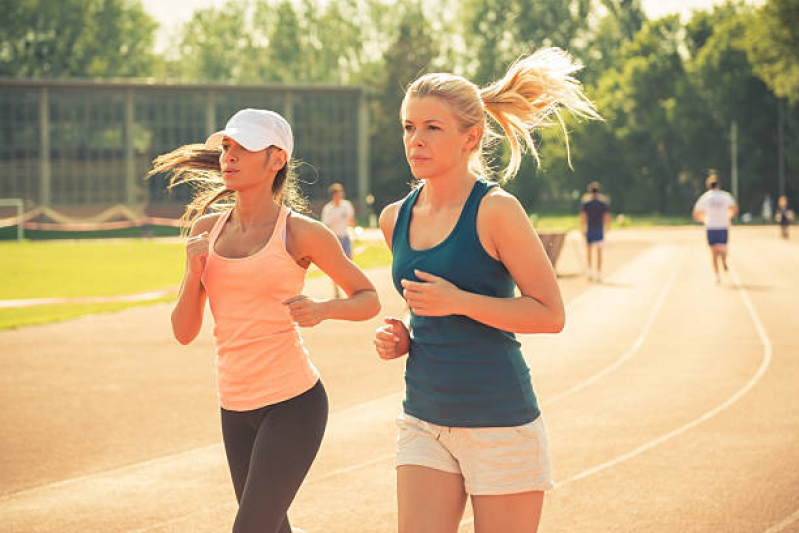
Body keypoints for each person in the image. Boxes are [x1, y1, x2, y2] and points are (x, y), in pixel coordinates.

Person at [373, 48, 599, 533]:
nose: (416, 140)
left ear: (469, 137)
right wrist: (402, 336)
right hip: (424, 419)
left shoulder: (497, 210)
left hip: (501, 423)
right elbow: (426, 310)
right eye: (409, 127)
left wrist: (460, 302)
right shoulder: (395, 218)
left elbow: (549, 313)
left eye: (432, 128)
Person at [148, 108, 380, 533]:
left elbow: (368, 299)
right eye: (227, 146)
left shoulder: (302, 233)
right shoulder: (206, 231)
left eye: (243, 147)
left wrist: (324, 309)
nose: (229, 156)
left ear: (276, 160)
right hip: (233, 406)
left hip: (294, 404)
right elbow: (183, 333)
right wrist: (191, 269)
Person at [692, 171, 738, 283]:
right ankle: (724, 261)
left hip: (711, 226)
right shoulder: (725, 196)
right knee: (723, 248)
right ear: (719, 185)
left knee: (713, 253)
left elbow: (696, 213)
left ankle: (717, 275)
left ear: (708, 186)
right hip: (723, 226)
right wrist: (729, 217)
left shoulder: (705, 197)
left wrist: (704, 220)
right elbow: (735, 208)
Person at [321, 183, 355, 296]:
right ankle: (336, 289)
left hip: (345, 237)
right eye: (338, 194)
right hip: (335, 239)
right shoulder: (328, 209)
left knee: (350, 263)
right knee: (335, 266)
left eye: (341, 193)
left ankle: (350, 288)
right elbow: (326, 226)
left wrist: (354, 233)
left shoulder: (347, 205)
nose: (340, 195)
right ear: (333, 195)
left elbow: (351, 220)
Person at [580, 181, 611, 282]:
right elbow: (606, 216)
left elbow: (583, 217)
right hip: (599, 229)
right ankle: (598, 273)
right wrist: (607, 227)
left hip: (590, 229)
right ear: (598, 191)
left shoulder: (586, 202)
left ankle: (589, 272)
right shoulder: (603, 202)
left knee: (589, 251)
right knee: (599, 252)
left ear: (590, 192)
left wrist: (582, 229)